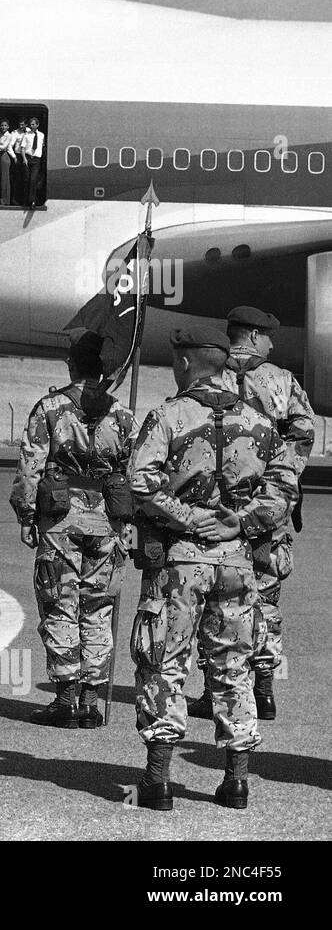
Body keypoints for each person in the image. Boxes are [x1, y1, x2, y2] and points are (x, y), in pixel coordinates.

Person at [126, 326, 297, 811]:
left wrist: (191, 518)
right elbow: (285, 487)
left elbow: (140, 481)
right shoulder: (261, 423)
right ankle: (236, 782)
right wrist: (239, 522)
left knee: (163, 661)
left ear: (184, 363)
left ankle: (158, 782)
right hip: (238, 564)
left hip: (180, 562)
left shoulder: (168, 415)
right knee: (233, 665)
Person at [183, 306, 315, 722]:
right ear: (254, 335)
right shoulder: (280, 379)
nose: (273, 344)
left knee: (217, 597)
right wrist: (283, 479)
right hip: (267, 508)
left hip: (214, 506)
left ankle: (214, 688)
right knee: (267, 597)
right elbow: (304, 429)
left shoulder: (210, 371)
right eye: (268, 336)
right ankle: (263, 687)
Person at [10, 332, 135, 728]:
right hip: (107, 523)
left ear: (71, 366)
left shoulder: (49, 408)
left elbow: (30, 469)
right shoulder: (123, 416)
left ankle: (64, 698)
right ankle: (91, 701)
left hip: (60, 521)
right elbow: (134, 473)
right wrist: (128, 524)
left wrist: (27, 516)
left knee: (60, 603)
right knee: (98, 606)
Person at [0, 120, 16, 206]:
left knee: (5, 179)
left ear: (8, 127)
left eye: (5, 125)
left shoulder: (9, 136)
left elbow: (4, 146)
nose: (3, 127)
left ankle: (6, 201)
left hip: (3, 156)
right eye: (2, 125)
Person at [23, 117, 46, 208]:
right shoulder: (26, 135)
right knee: (27, 180)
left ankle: (32, 201)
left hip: (36, 160)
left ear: (37, 125)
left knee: (33, 180)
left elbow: (42, 146)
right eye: (30, 124)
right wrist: (24, 159)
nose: (32, 126)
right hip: (28, 158)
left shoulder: (41, 135)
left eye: (33, 124)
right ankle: (25, 201)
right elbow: (22, 148)